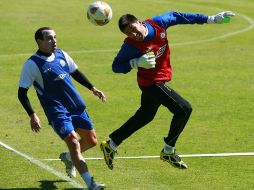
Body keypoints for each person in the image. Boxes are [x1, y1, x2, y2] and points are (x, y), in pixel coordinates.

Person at [100, 11, 235, 170]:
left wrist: (210, 19)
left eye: (133, 28)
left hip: (159, 80)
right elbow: (116, 67)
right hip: (151, 83)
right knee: (184, 109)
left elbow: (178, 16)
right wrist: (135, 63)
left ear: (139, 21)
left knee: (145, 116)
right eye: (129, 33)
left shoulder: (158, 23)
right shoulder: (130, 45)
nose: (134, 34)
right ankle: (168, 150)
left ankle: (112, 143)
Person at [18, 27, 106, 190]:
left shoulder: (62, 55)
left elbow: (76, 72)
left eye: (55, 37)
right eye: (49, 38)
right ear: (39, 41)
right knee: (73, 142)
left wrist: (92, 88)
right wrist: (32, 114)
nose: (54, 41)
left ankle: (68, 158)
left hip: (76, 106)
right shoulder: (32, 64)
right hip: (57, 111)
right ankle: (91, 183)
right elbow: (22, 93)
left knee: (91, 141)